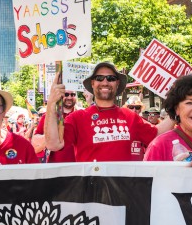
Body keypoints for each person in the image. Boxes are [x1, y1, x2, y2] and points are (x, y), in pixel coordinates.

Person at [45, 62, 175, 162]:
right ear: (93, 83)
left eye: (111, 78)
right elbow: (53, 144)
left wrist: (177, 108)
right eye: (99, 78)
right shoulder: (77, 118)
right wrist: (51, 103)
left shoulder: (130, 117)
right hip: (92, 193)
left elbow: (156, 134)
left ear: (117, 83)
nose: (105, 82)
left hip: (124, 192)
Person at [33, 90, 77, 163]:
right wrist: (52, 133)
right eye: (66, 94)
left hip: (79, 166)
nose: (69, 97)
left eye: (72, 94)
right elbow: (35, 146)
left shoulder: (81, 116)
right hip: (55, 166)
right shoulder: (49, 117)